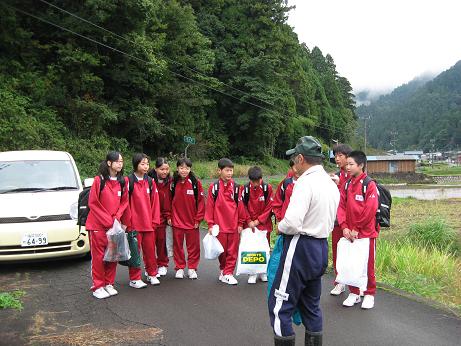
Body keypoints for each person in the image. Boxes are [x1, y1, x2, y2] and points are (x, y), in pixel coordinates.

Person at [268, 136, 339, 346]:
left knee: (279, 306)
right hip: (320, 247)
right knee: (311, 306)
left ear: (300, 158)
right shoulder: (331, 184)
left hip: (299, 246)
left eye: (294, 159)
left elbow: (291, 222)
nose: (293, 165)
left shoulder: (304, 183)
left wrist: (279, 226)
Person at [337, 150, 379, 310]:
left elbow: (370, 209)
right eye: (346, 164)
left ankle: (369, 293)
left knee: (367, 266)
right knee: (350, 264)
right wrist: (345, 227)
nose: (347, 167)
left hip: (365, 234)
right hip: (349, 233)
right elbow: (341, 206)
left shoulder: (369, 184)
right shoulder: (347, 184)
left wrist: (357, 228)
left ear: (360, 165)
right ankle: (354, 292)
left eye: (350, 164)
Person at [86, 151, 129, 299]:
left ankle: (109, 283)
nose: (120, 164)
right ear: (109, 163)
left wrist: (117, 218)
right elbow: (93, 203)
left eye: (121, 161)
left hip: (114, 225)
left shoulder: (123, 181)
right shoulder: (99, 180)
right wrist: (108, 220)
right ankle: (98, 286)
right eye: (117, 161)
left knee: (113, 255)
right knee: (98, 257)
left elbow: (124, 202)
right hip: (98, 225)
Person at [205, 158, 246, 285]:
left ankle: (228, 273)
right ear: (219, 171)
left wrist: (240, 223)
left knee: (232, 251)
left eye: (231, 171)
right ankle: (223, 270)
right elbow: (210, 206)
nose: (229, 173)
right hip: (219, 226)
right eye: (227, 170)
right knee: (221, 251)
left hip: (233, 226)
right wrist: (210, 224)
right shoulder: (214, 187)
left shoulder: (237, 188)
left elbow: (240, 206)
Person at [124, 153, 161, 288]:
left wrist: (155, 221)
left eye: (147, 164)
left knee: (150, 251)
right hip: (134, 225)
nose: (146, 167)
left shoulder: (150, 182)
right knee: (134, 252)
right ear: (136, 165)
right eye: (142, 164)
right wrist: (128, 223)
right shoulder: (128, 181)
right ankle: (134, 278)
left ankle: (152, 274)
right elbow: (124, 203)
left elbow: (155, 203)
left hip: (149, 224)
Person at [167, 158, 205, 279]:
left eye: (187, 168)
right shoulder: (173, 183)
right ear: (177, 168)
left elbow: (201, 202)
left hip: (192, 222)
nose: (184, 170)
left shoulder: (195, 183)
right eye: (182, 168)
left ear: (190, 169)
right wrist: (169, 216)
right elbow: (168, 201)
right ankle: (179, 267)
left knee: (193, 247)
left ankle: (192, 268)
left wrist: (198, 219)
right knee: (177, 246)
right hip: (177, 221)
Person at [241, 166, 273, 284]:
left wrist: (258, 221)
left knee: (265, 248)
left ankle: (263, 272)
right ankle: (252, 273)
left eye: (257, 181)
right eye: (253, 181)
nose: (255, 184)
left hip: (263, 224)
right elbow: (242, 206)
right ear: (249, 180)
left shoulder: (267, 188)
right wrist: (249, 221)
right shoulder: (245, 189)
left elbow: (270, 206)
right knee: (251, 248)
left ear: (261, 179)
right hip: (249, 225)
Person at [329, 144, 352, 296]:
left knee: (354, 253)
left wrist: (339, 184)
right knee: (337, 251)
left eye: (340, 156)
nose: (337, 159)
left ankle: (357, 286)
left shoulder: (354, 175)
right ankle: (339, 282)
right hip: (337, 220)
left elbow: (350, 195)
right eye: (335, 156)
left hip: (353, 221)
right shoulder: (337, 174)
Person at [148, 157, 171, 277]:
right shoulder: (149, 180)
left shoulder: (170, 182)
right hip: (149, 217)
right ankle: (151, 266)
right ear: (156, 169)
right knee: (149, 243)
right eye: (162, 169)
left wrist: (168, 216)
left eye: (167, 169)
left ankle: (162, 264)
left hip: (163, 217)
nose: (164, 172)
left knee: (161, 241)